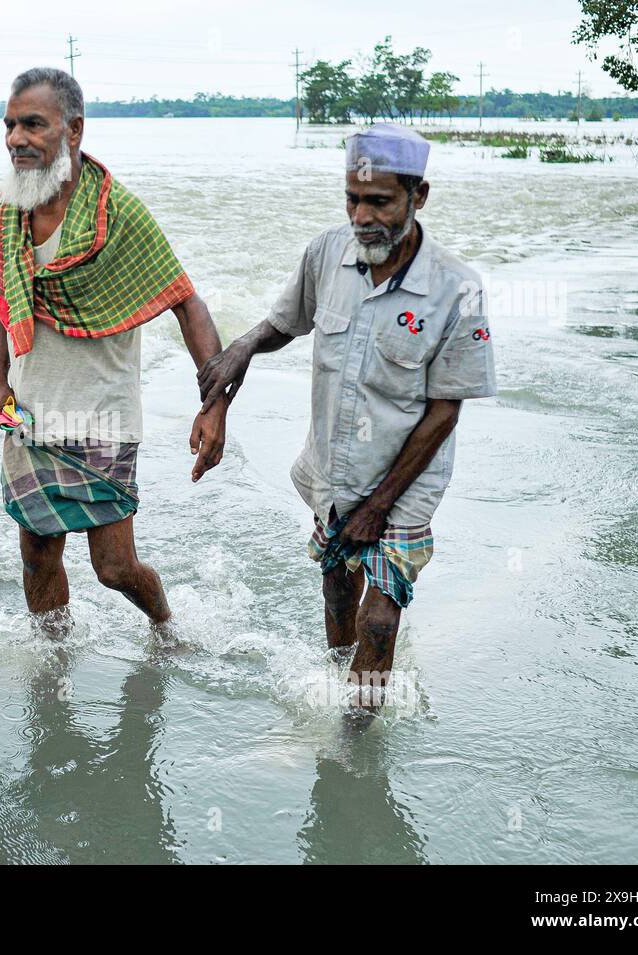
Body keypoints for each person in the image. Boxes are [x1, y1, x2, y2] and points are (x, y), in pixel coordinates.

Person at [198, 123, 497, 704]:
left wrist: (380, 506)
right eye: (353, 200)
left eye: (380, 202)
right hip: (334, 467)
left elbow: (444, 412)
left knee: (380, 620)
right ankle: (340, 687)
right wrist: (241, 349)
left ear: (419, 196)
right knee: (338, 589)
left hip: (408, 477)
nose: (363, 216)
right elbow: (287, 321)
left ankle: (353, 737)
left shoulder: (458, 290)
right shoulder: (327, 253)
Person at [0, 67, 227, 636]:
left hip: (103, 417)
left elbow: (187, 304)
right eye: (10, 125)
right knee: (37, 555)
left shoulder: (118, 216)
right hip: (28, 411)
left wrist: (215, 405)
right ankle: (55, 669)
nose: (17, 137)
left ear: (74, 130)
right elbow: (3, 300)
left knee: (113, 568)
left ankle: (166, 628)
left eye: (33, 124)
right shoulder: (8, 213)